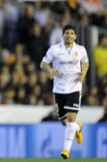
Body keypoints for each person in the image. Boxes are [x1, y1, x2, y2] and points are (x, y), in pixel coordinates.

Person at [40, 25, 89, 160]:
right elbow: (43, 64)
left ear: (75, 36)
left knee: (71, 119)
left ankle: (66, 150)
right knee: (64, 122)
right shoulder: (55, 50)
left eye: (72, 33)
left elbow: (86, 62)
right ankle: (78, 128)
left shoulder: (81, 50)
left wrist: (84, 73)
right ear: (63, 35)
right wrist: (50, 70)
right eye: (67, 33)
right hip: (59, 89)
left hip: (74, 87)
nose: (69, 35)